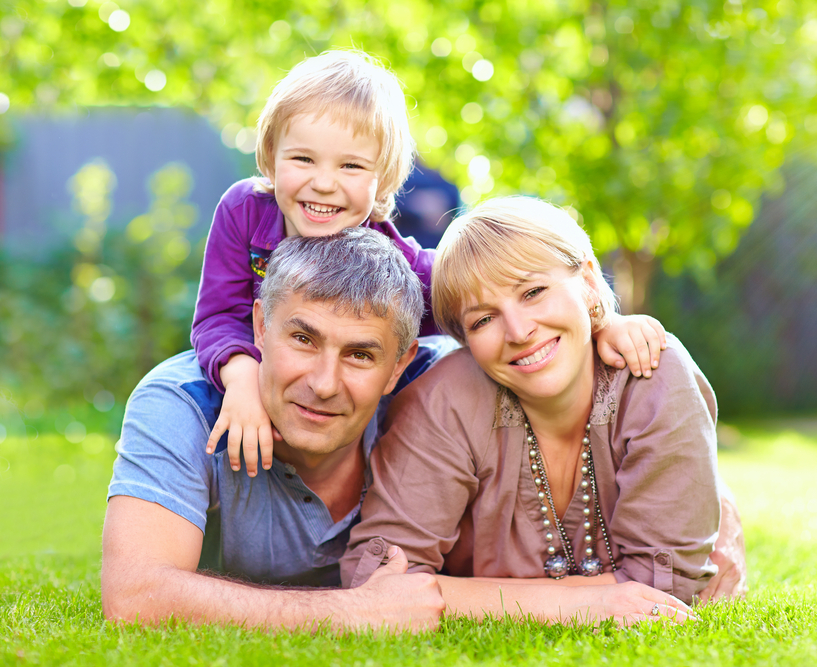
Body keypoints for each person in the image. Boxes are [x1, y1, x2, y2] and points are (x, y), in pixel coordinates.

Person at [191, 49, 673, 480]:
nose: (323, 183)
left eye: (351, 166)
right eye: (303, 159)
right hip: (257, 381)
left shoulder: (399, 266)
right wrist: (242, 382)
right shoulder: (246, 212)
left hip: (356, 417)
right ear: (271, 157)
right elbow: (217, 315)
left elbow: (488, 294)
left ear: (382, 180)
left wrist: (602, 320)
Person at [342, 197, 746, 626]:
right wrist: (582, 605)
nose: (518, 331)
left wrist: (457, 595)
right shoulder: (444, 400)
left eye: (533, 292)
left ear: (589, 282)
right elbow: (378, 581)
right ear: (465, 342)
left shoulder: (653, 375)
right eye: (483, 320)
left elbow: (666, 589)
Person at [102, 229, 447, 632]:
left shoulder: (439, 398)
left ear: (399, 366)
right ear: (261, 327)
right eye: (303, 339)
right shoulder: (183, 402)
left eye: (359, 354)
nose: (324, 384)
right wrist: (356, 611)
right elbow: (134, 596)